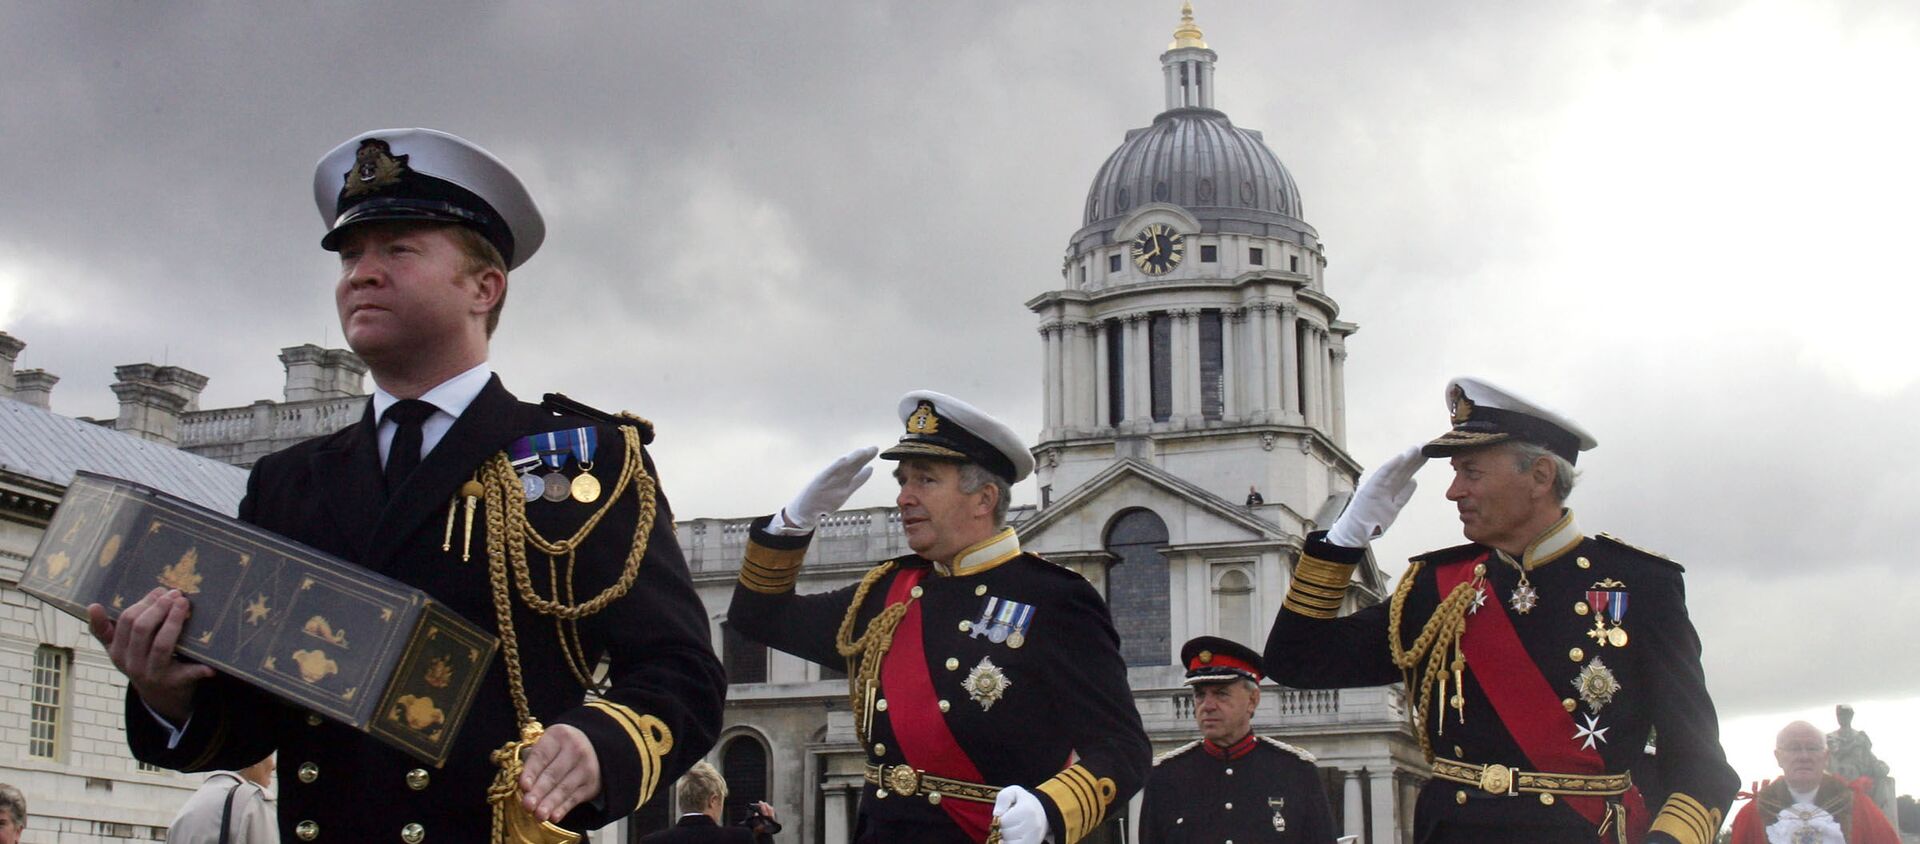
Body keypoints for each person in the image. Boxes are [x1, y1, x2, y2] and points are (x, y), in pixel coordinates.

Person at [88, 128, 725, 842]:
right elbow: (257, 714)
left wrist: (600, 745)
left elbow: (681, 674)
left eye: (397, 250)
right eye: (352, 254)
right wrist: (164, 692)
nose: (361, 273)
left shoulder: (585, 460)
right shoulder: (288, 481)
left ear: (484, 287)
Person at [1265, 377, 1738, 844]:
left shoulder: (1638, 584)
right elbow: (1297, 660)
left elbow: (1699, 763)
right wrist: (1344, 541)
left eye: (1470, 472)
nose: (1453, 492)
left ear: (1540, 477)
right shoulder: (1436, 588)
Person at [728, 391, 1150, 844]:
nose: (904, 497)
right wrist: (792, 524)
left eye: (925, 480)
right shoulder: (887, 593)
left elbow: (1122, 747)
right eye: (903, 480)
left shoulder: (1053, 598)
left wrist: (1052, 808)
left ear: (983, 498)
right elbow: (759, 618)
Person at [1139, 636, 1337, 843]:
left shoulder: (1295, 771)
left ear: (1252, 700)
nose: (1207, 705)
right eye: (1199, 695)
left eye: (1221, 694)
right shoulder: (1166, 776)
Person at [1728, 721, 1900, 844]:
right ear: (1778, 757)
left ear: (1825, 757)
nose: (1804, 756)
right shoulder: (1754, 813)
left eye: (1812, 748)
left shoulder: (1857, 806)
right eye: (1794, 748)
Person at [640, 761, 780, 843]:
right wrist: (765, 833)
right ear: (713, 800)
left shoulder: (652, 841)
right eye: (721, 801)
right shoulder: (739, 838)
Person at [167, 755, 279, 843]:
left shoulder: (191, 805)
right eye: (269, 754)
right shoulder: (253, 801)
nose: (274, 765)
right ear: (255, 758)